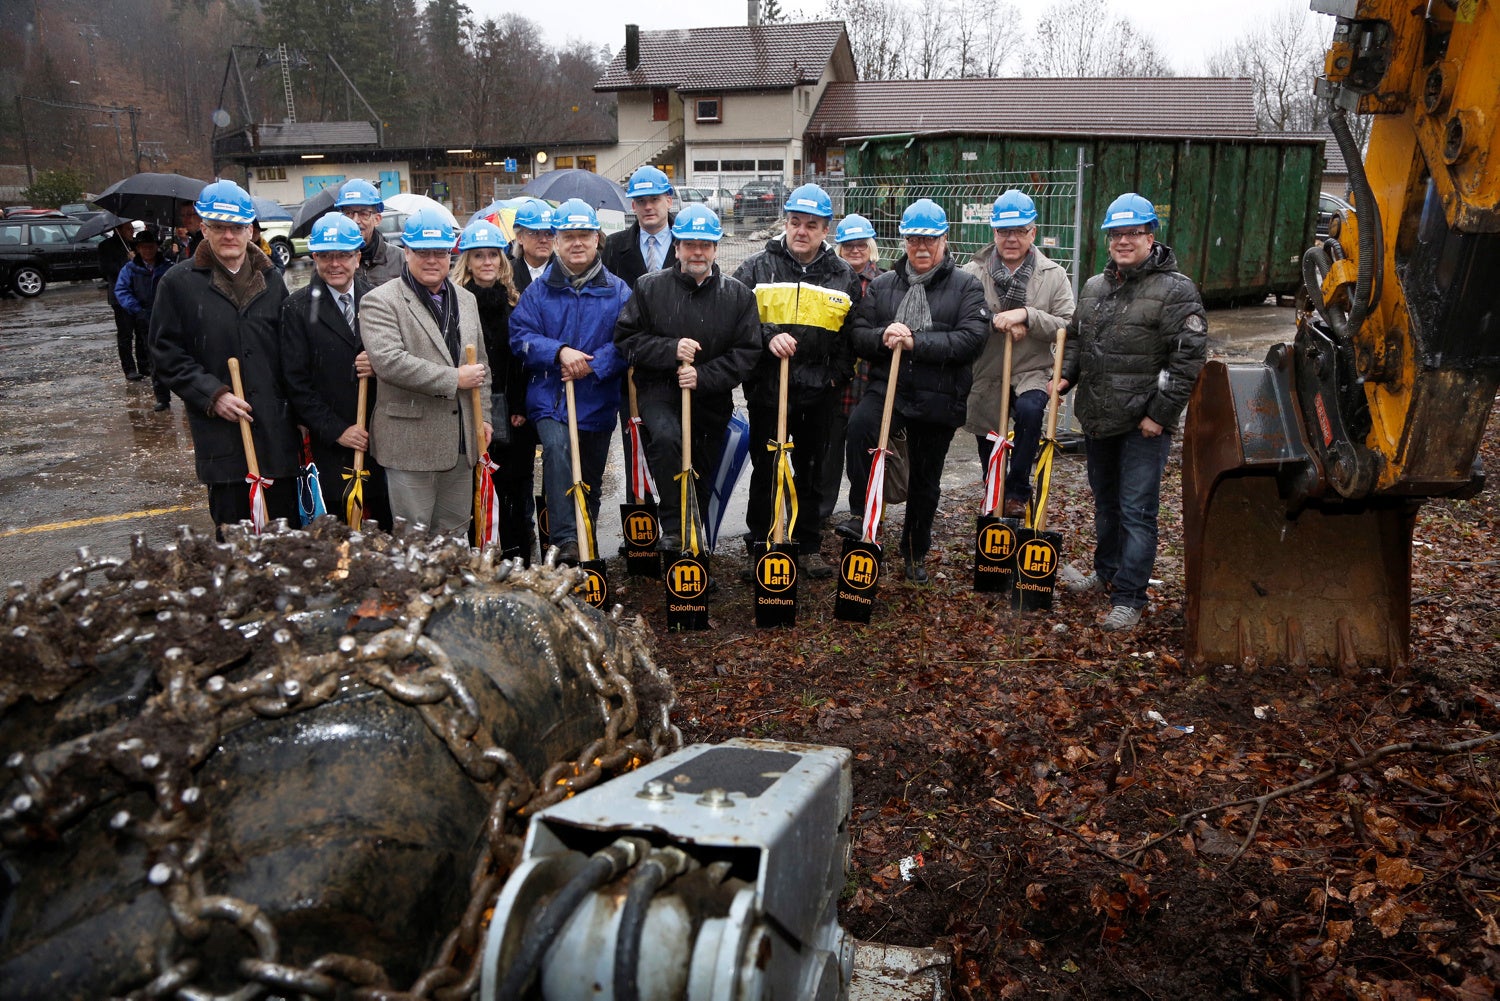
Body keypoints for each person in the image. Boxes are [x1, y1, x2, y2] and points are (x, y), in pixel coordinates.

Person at [1055, 192, 1207, 632]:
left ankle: (1130, 596)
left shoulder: (1176, 290)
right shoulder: (1095, 287)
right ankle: (1107, 572)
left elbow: (1187, 359)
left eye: (1133, 233)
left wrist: (1159, 414)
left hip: (1143, 425)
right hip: (1100, 417)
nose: (1124, 241)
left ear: (1150, 235)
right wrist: (1066, 376)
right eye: (1116, 234)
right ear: (1107, 239)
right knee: (1106, 503)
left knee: (1137, 510)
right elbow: (1079, 339)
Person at [841, 199, 988, 584]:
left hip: (939, 395)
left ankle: (913, 551)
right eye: (913, 240)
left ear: (944, 240)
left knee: (925, 478)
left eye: (929, 240)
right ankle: (861, 514)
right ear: (904, 241)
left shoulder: (966, 286)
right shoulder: (885, 285)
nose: (921, 248)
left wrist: (916, 342)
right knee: (859, 429)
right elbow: (858, 333)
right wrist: (882, 335)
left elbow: (971, 339)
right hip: (890, 387)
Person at [151, 180, 299, 532]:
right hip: (224, 439)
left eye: (236, 227)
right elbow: (165, 354)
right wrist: (213, 395)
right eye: (219, 227)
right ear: (204, 228)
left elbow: (290, 351)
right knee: (236, 544)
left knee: (288, 542)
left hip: (276, 437)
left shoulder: (272, 279)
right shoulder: (178, 283)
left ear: (250, 229)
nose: (228, 236)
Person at [732, 183, 862, 579]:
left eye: (811, 225)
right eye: (794, 222)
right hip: (770, 388)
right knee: (767, 467)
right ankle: (761, 542)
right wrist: (768, 334)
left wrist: (834, 378)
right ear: (785, 223)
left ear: (826, 230)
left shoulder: (841, 276)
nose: (801, 231)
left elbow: (851, 336)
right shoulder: (756, 268)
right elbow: (736, 319)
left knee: (811, 470)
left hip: (818, 391)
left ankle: (806, 544)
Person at [614, 204, 759, 549]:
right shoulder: (649, 288)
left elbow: (747, 353)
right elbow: (626, 341)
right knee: (666, 439)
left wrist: (704, 376)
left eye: (705, 245)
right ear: (676, 247)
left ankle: (697, 545)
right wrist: (671, 350)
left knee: (702, 471)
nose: (697, 252)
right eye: (690, 244)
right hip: (659, 392)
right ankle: (674, 527)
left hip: (711, 397)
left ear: (715, 249)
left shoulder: (737, 296)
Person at [509, 198, 630, 566]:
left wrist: (593, 365)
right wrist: (559, 352)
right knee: (559, 455)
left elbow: (629, 339)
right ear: (557, 241)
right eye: (569, 236)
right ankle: (565, 543)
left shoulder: (618, 291)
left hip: (596, 400)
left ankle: (585, 535)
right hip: (551, 399)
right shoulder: (539, 292)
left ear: (597, 240)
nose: (577, 243)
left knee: (589, 475)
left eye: (584, 236)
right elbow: (520, 336)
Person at [360, 208, 492, 534]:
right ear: (406, 252)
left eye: (440, 252)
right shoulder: (381, 301)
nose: (432, 260)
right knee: (413, 539)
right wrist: (453, 379)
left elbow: (482, 366)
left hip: (462, 442)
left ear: (450, 254)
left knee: (455, 534)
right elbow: (390, 361)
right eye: (422, 251)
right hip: (410, 445)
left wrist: (484, 417)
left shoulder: (465, 299)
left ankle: (450, 587)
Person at [963, 190, 1076, 518]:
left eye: (1020, 231)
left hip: (1031, 370)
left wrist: (1028, 315)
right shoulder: (973, 272)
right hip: (988, 371)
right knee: (989, 433)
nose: (1011, 239)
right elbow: (962, 318)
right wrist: (996, 322)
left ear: (1033, 233)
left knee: (1029, 414)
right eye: (1004, 231)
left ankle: (1017, 490)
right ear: (994, 233)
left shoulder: (1053, 275)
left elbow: (1067, 324)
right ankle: (994, 490)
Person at [280, 212, 391, 529]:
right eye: (325, 256)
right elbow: (296, 384)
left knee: (381, 532)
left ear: (357, 257)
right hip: (331, 447)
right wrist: (337, 431)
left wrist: (379, 364)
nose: (334, 264)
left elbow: (401, 362)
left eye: (343, 255)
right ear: (314, 257)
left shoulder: (379, 300)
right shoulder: (297, 308)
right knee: (337, 537)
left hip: (379, 441)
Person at [453, 218, 536, 562]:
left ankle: (517, 546)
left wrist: (518, 404)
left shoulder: (515, 300)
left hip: (510, 405)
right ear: (467, 262)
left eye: (493, 255)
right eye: (479, 256)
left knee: (515, 480)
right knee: (478, 478)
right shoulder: (455, 304)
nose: (487, 262)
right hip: (473, 404)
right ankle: (483, 545)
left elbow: (521, 359)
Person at [819, 213, 882, 524]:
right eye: (848, 246)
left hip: (868, 381)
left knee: (862, 453)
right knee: (828, 454)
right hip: (834, 380)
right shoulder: (830, 280)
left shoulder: (883, 283)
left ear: (870, 247)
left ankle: (862, 513)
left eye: (861, 245)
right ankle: (819, 514)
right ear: (839, 248)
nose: (855, 250)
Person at [113, 229, 173, 411]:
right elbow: (121, 291)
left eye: (151, 247)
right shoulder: (130, 269)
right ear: (138, 249)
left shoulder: (168, 266)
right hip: (145, 318)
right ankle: (162, 397)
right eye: (144, 248)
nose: (148, 251)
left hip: (168, 316)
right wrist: (137, 309)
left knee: (175, 357)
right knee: (154, 359)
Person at [603, 165, 677, 288]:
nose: (648, 207)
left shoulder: (688, 243)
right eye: (641, 201)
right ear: (633, 206)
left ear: (669, 202)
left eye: (654, 199)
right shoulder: (614, 245)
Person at [335, 179, 403, 285]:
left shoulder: (400, 259)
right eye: (348, 213)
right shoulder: (332, 263)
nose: (355, 221)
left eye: (363, 213)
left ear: (377, 219)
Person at [100, 221, 142, 383]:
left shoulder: (134, 245)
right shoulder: (106, 246)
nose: (132, 231)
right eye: (128, 229)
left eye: (132, 228)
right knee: (125, 334)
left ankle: (144, 365)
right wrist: (127, 262)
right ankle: (129, 369)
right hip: (120, 297)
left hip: (138, 295)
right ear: (118, 230)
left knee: (141, 332)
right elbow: (107, 271)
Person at [509, 198, 554, 295]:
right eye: (535, 233)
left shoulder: (566, 273)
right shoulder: (507, 274)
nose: (543, 240)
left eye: (549, 233)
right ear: (520, 237)